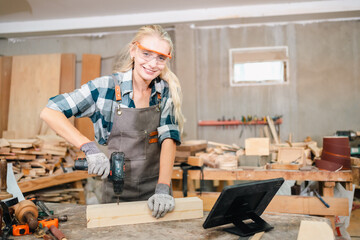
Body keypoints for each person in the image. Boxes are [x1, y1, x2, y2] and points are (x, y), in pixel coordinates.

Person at [40, 25, 185, 219]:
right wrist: (89, 148)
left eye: (160, 57)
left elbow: (168, 138)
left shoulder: (163, 90)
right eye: (146, 53)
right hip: (117, 194)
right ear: (133, 51)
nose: (152, 63)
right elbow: (50, 111)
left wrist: (163, 188)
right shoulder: (105, 88)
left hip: (156, 193)